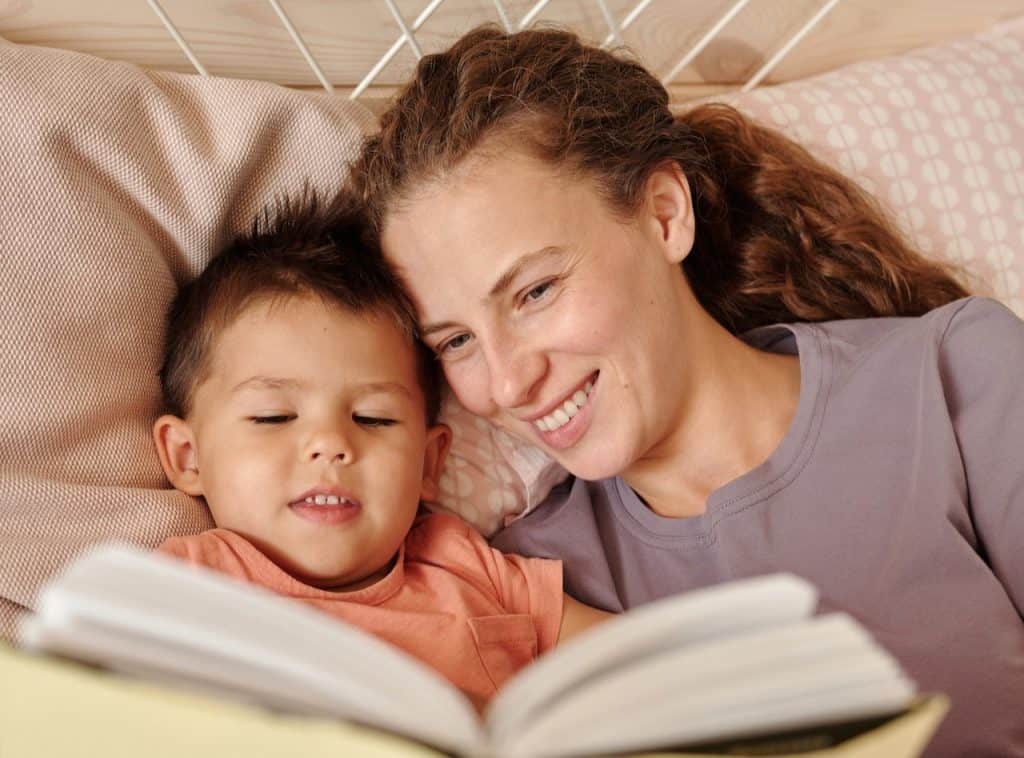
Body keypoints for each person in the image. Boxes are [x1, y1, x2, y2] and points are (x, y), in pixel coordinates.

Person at [351, 25, 1024, 757]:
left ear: (666, 214)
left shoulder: (955, 379)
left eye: (536, 291)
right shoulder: (533, 581)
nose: (508, 382)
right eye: (456, 341)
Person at [150, 191, 610, 711]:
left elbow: (635, 661)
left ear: (429, 463)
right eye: (273, 417)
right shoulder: (186, 586)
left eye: (374, 418)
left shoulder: (464, 564)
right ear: (188, 457)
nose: (331, 445)